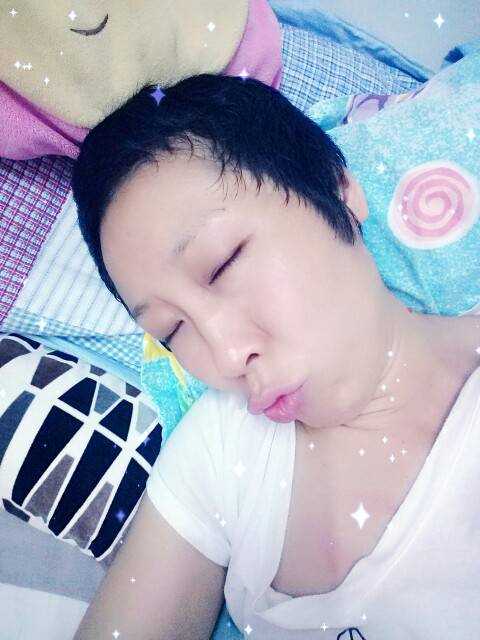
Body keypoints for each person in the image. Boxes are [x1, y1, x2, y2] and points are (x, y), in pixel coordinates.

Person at [71, 74, 480, 639]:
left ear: (338, 190)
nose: (226, 356)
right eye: (172, 331)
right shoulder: (221, 451)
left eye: (222, 264)